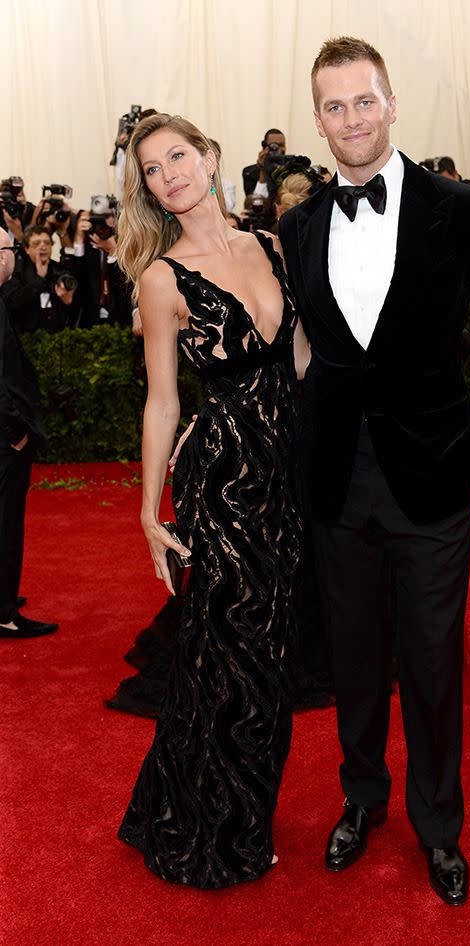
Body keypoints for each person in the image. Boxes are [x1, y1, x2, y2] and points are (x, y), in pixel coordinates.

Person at [278, 36, 470, 906]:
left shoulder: (460, 208)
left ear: (391, 104)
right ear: (317, 119)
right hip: (336, 483)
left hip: (433, 476)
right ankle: (362, 800)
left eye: (364, 100)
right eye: (334, 106)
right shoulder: (300, 222)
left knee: (429, 661)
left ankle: (438, 825)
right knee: (353, 656)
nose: (350, 118)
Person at [115, 112, 306, 888]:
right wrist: (148, 511)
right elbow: (162, 403)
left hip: (288, 471)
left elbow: (300, 356)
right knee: (226, 651)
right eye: (154, 171)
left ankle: (243, 810)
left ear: (211, 155)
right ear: (151, 194)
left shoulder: (272, 245)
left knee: (274, 654)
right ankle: (207, 830)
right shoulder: (161, 278)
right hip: (222, 482)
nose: (170, 175)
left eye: (178, 156)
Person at [0, 229, 57, 638]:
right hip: (4, 438)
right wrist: (14, 431)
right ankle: (3, 611)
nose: (13, 258)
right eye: (9, 250)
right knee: (6, 523)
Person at [242, 128, 287, 197]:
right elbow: (255, 202)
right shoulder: (250, 172)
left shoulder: (292, 170)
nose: (279, 149)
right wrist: (262, 170)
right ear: (265, 147)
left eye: (282, 145)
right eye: (274, 146)